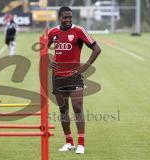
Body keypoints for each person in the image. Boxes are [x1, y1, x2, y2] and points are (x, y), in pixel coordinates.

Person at [48, 6, 101, 154]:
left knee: (78, 108)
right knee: (63, 110)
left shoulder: (79, 31)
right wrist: (48, 60)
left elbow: (97, 49)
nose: (68, 20)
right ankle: (69, 142)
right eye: (65, 17)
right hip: (58, 77)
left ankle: (81, 144)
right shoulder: (53, 32)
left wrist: (85, 67)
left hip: (75, 77)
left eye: (70, 17)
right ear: (59, 17)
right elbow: (42, 48)